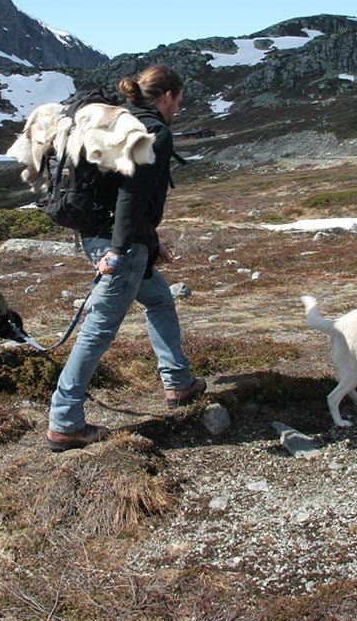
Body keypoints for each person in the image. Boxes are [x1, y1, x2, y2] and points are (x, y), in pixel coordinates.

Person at [46, 65, 206, 451]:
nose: (178, 108)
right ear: (166, 95)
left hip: (98, 235)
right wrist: (120, 251)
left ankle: (178, 382)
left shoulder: (121, 119)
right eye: (179, 101)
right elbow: (131, 196)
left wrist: (150, 242)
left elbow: (119, 190)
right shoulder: (155, 131)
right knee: (98, 329)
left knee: (158, 298)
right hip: (119, 247)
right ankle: (65, 421)